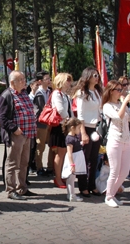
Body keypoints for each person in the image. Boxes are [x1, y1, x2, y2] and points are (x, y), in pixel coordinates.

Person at [0, 71, 38, 201]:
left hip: (28, 133)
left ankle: (22, 188)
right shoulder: (7, 95)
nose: (23, 81)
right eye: (20, 79)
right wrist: (14, 128)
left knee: (24, 162)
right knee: (13, 163)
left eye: (23, 78)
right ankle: (11, 190)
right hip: (16, 134)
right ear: (12, 82)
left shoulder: (24, 93)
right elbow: (1, 117)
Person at [101, 80, 130, 208]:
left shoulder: (122, 104)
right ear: (111, 91)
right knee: (115, 170)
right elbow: (118, 117)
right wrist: (126, 101)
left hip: (126, 141)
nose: (120, 92)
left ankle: (112, 193)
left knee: (124, 171)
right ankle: (109, 197)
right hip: (114, 140)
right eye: (117, 90)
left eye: (121, 89)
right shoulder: (107, 106)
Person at [73, 68, 103, 196]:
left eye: (98, 75)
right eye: (94, 75)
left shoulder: (97, 92)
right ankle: (83, 186)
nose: (97, 77)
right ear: (88, 76)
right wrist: (83, 132)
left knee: (94, 158)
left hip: (96, 127)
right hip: (86, 127)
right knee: (84, 158)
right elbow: (80, 114)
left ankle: (92, 185)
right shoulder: (81, 93)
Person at [49, 73, 74, 188]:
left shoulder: (66, 95)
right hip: (60, 126)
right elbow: (60, 110)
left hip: (66, 126)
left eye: (70, 80)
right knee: (60, 153)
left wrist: (74, 121)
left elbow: (69, 111)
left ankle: (61, 176)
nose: (69, 82)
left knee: (64, 153)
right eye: (67, 80)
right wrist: (70, 120)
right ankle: (57, 178)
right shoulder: (56, 94)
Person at [32, 71, 54, 177]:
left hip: (50, 123)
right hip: (41, 124)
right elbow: (41, 110)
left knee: (51, 145)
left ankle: (50, 167)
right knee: (40, 146)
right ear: (40, 81)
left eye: (49, 79)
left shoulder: (49, 92)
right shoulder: (39, 94)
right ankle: (39, 167)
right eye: (47, 79)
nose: (49, 81)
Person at [61, 117, 85, 202]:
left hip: (75, 160)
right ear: (72, 128)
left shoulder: (74, 137)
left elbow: (76, 145)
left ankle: (70, 194)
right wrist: (72, 164)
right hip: (72, 161)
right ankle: (72, 196)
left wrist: (81, 143)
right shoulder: (69, 138)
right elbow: (69, 153)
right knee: (71, 179)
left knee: (71, 178)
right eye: (78, 128)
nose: (79, 130)